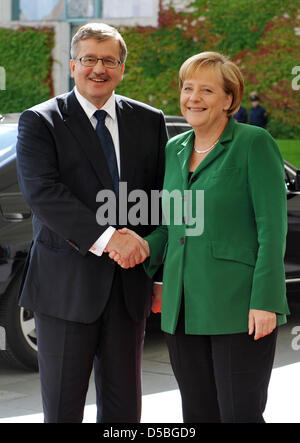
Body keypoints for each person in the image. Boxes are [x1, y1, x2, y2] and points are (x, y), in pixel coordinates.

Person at [110, 52, 290, 423]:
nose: (193, 97)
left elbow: (273, 230)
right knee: (197, 412)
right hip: (182, 309)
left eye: (206, 89)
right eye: (187, 87)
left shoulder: (253, 143)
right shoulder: (174, 149)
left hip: (239, 307)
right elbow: (174, 225)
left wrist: (266, 301)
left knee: (239, 413)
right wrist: (145, 247)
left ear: (228, 99)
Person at [16, 22, 168, 423]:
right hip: (65, 289)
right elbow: (44, 194)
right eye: (88, 59)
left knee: (124, 412)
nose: (98, 68)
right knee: (64, 409)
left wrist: (157, 273)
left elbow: (156, 199)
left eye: (108, 60)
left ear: (121, 68)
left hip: (128, 288)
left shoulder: (149, 120)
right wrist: (108, 239)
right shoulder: (41, 121)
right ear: (72, 64)